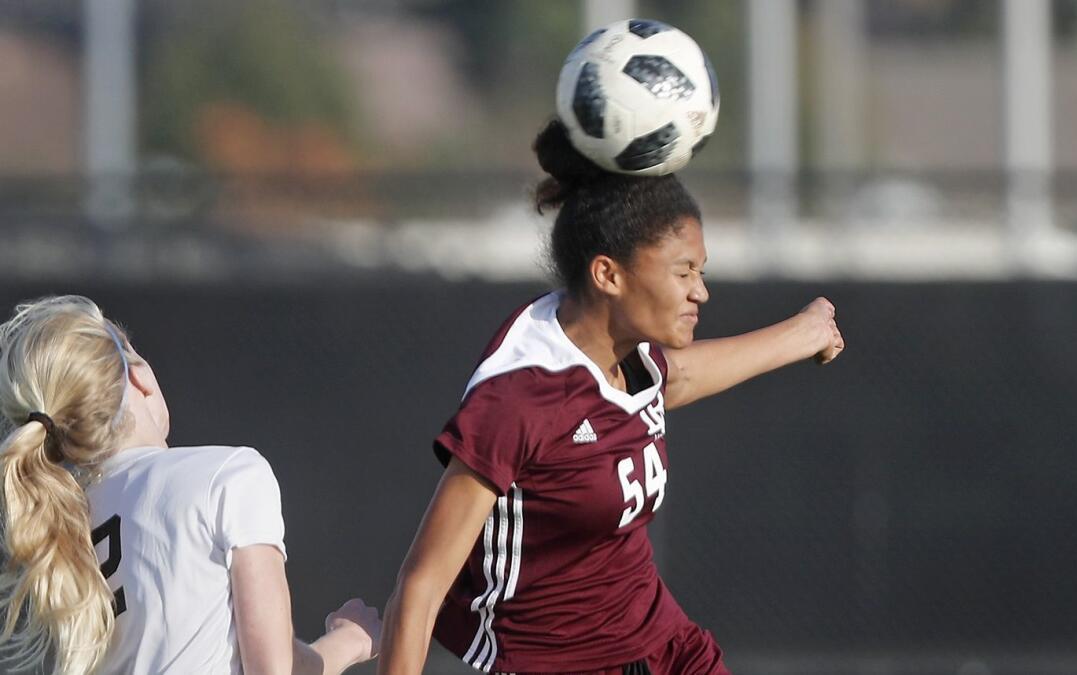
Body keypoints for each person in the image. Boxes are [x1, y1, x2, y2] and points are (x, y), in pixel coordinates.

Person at [377, 118, 844, 675]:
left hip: (664, 647)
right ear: (608, 274)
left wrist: (802, 332)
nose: (701, 290)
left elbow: (678, 379)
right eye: (683, 272)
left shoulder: (628, 349)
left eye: (701, 270)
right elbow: (421, 586)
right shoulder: (523, 395)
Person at [0, 295, 382, 675]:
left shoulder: (58, 522)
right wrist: (350, 640)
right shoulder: (229, 473)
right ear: (139, 377)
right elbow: (273, 667)